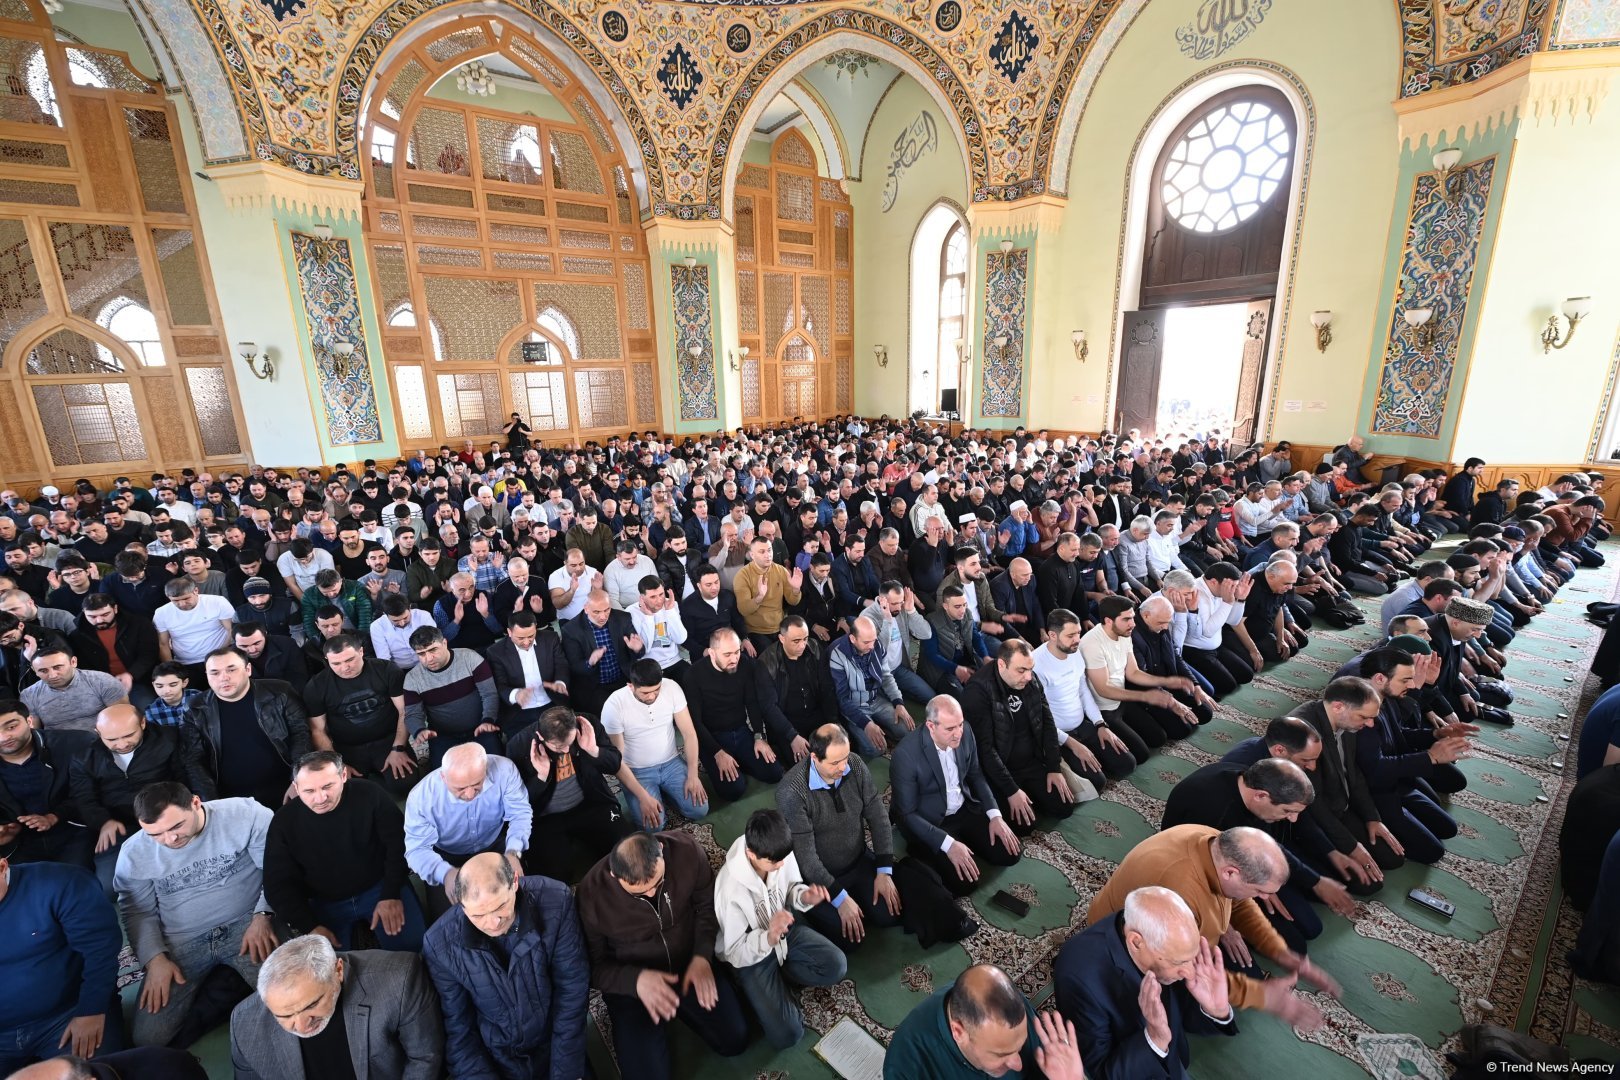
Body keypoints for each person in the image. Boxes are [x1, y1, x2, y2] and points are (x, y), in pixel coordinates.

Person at [1086, 824, 1338, 1029]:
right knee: (1201, 1020)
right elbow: (1190, 967)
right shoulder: (1182, 890)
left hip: (1179, 931)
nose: (1263, 898)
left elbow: (1240, 902)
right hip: (1123, 948)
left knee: (1248, 975)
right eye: (1260, 891)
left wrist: (1279, 952)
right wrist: (1263, 997)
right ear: (1231, 873)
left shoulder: (1218, 844)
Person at [777, 723, 973, 948]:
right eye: (835, 763)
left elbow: (879, 816)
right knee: (850, 940)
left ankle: (864, 901)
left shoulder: (855, 765)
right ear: (814, 758)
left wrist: (884, 870)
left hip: (857, 860)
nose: (843, 767)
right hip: (817, 880)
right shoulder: (792, 793)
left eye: (845, 758)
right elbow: (807, 859)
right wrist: (841, 899)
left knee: (888, 915)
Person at [114, 783, 279, 1048]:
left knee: (292, 998)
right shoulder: (133, 853)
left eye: (176, 826)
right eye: (155, 834)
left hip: (247, 924)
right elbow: (137, 912)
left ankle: (226, 986)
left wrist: (263, 915)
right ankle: (228, 988)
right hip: (183, 940)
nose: (170, 840)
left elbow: (276, 871)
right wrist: (154, 960)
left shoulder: (246, 814)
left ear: (195, 803)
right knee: (149, 1039)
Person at [577, 831, 750, 1079]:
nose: (650, 894)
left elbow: (706, 906)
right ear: (615, 875)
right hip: (633, 987)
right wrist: (636, 981)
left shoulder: (687, 850)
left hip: (688, 963)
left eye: (658, 883)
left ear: (661, 848)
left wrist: (702, 956)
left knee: (735, 1039)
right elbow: (593, 967)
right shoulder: (591, 896)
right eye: (638, 894)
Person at [422, 851, 590, 1079]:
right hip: (496, 1058)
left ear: (515, 883)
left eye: (501, 906)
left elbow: (571, 990)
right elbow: (459, 1030)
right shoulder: (439, 944)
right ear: (461, 907)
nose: (493, 923)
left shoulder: (555, 901)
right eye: (479, 915)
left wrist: (566, 1074)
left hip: (555, 1043)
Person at [1161, 758, 1353, 956]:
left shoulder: (1254, 781)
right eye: (1288, 811)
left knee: (1311, 927)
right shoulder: (1211, 813)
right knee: (1294, 946)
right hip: (1206, 875)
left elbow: (1269, 844)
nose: (1293, 819)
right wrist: (1223, 925)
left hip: (1243, 863)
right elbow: (1194, 874)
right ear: (1261, 796)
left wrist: (1315, 881)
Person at [1054, 886, 1236, 1079]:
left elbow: (1181, 1012)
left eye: (1192, 957)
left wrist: (1215, 1011)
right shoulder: (1080, 979)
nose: (1191, 972)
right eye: (1179, 962)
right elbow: (1099, 1073)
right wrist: (1155, 1039)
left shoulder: (1165, 941)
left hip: (1171, 1061)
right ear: (1136, 942)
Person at [264, 750, 425, 952]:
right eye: (309, 791)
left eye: (327, 786)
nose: (320, 798)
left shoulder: (371, 794)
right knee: (332, 968)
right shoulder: (283, 822)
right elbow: (277, 884)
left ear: (343, 776)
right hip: (324, 901)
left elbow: (398, 845)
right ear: (296, 787)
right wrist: (310, 927)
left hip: (379, 886)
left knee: (413, 948)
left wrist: (391, 894)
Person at [712, 808, 846, 1049]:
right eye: (775, 862)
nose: (782, 864)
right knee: (788, 1035)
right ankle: (760, 988)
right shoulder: (729, 888)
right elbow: (734, 951)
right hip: (752, 958)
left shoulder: (778, 852)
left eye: (784, 858)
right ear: (751, 854)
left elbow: (791, 889)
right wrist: (768, 938)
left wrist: (805, 897)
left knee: (836, 965)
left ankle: (778, 983)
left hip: (785, 935)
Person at [229, 934, 443, 1079]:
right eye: (284, 1016)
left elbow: (424, 1058)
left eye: (312, 1004)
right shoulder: (243, 1024)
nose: (302, 1025)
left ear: (338, 971)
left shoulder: (399, 978)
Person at [69, 704, 214, 898]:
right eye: (111, 739)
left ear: (143, 723)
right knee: (110, 888)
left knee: (199, 873)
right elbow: (84, 798)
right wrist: (103, 822)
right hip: (121, 826)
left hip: (168, 817)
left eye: (128, 735)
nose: (121, 744)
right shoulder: (84, 757)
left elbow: (188, 777)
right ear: (97, 732)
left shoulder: (169, 739)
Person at [0, 857, 123, 1074]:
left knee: (97, 1073)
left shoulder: (62, 883)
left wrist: (91, 1010)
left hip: (67, 1014)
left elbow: (101, 950)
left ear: (1, 867)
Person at [891, 695, 1022, 896]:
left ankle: (963, 843)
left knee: (1011, 854)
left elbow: (976, 775)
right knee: (966, 884)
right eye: (950, 729)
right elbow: (907, 814)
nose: (958, 734)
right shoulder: (905, 755)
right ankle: (922, 849)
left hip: (963, 808)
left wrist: (995, 816)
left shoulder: (965, 731)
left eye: (960, 725)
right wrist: (948, 843)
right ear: (931, 726)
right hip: (932, 820)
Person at [1291, 676, 1406, 881]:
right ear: (1338, 707)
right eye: (1365, 717)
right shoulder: (1304, 735)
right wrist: (1350, 846)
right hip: (1311, 818)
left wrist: (1372, 817)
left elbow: (1353, 771)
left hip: (1339, 803)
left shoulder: (1348, 721)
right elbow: (1312, 801)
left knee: (1393, 859)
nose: (1370, 724)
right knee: (1368, 885)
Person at [883, 964, 1086, 1080]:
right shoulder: (907, 1065)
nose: (1018, 1064)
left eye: (1020, 1046)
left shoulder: (1010, 1013)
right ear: (959, 1032)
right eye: (1001, 1054)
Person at [403, 742, 531, 920]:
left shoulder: (505, 769)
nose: (470, 795)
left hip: (495, 845)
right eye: (460, 788)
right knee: (448, 919)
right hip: (448, 856)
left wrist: (513, 851)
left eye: (477, 783)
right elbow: (416, 850)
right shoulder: (421, 797)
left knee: (522, 901)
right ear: (443, 777)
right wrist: (445, 873)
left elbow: (520, 813)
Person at [506, 704, 633, 883]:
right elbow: (519, 803)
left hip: (592, 803)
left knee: (628, 850)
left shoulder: (588, 724)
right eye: (559, 747)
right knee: (553, 875)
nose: (566, 750)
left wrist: (593, 750)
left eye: (570, 743)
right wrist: (541, 777)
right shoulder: (518, 746)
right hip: (546, 818)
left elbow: (614, 764)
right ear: (541, 737)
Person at [961, 639, 1078, 831]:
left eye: (1030, 669)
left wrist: (1053, 767)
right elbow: (985, 750)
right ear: (1001, 664)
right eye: (1021, 670)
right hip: (1002, 768)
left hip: (1031, 762)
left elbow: (1047, 722)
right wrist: (1011, 790)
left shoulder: (1030, 679)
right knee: (1024, 827)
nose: (1028, 677)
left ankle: (1031, 798)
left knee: (1064, 807)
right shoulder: (977, 692)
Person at [185, 646, 309, 809]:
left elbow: (300, 734)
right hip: (231, 798)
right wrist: (213, 803)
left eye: (231, 670)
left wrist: (299, 780)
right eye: (215, 673)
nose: (224, 678)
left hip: (285, 786)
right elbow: (194, 758)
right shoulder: (196, 708)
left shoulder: (280, 692)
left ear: (248, 669)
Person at [302, 633, 416, 798]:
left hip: (388, 740)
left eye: (349, 660)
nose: (344, 667)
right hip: (347, 748)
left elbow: (404, 711)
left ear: (361, 651)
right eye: (336, 663)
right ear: (327, 660)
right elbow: (318, 730)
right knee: (347, 794)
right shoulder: (316, 686)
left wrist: (399, 748)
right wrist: (337, 764)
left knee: (406, 785)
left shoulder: (386, 670)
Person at [1034, 607, 1136, 792]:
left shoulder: (1075, 651)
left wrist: (1100, 724)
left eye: (1079, 633)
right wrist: (1071, 744)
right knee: (1098, 782)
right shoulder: (1036, 665)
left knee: (1127, 765)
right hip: (1059, 736)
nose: (1077, 640)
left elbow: (1083, 691)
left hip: (1083, 725)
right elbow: (1039, 718)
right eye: (1071, 635)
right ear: (1052, 635)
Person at [1080, 596, 1198, 756]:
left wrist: (1168, 681)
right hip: (1104, 709)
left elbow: (1133, 672)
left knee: (1159, 738)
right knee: (1141, 755)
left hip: (1123, 700)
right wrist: (1145, 696)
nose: (1133, 624)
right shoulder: (1092, 644)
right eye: (1127, 619)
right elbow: (1103, 690)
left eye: (1133, 618)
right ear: (1109, 621)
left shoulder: (1124, 633)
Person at [601, 658, 709, 829]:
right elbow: (617, 760)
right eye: (645, 693)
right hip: (637, 771)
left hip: (671, 762)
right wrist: (643, 797)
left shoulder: (671, 687)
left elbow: (689, 734)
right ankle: (654, 795)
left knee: (699, 810)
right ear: (631, 686)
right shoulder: (614, 705)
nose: (652, 696)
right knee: (653, 827)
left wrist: (693, 775)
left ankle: (664, 794)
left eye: (656, 690)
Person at [685, 628, 785, 801]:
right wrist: (718, 753)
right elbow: (695, 722)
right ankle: (728, 763)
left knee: (774, 773)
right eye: (727, 654)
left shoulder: (744, 664)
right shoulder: (693, 675)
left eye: (737, 652)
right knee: (733, 791)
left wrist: (759, 736)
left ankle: (739, 761)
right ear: (711, 653)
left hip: (740, 731)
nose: (734, 659)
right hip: (711, 739)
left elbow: (752, 703)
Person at [0, 701, 95, 869]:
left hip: (74, 829)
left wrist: (54, 816)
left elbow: (94, 792)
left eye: (11, 727)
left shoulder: (72, 745)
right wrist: (5, 829)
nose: (4, 737)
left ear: (29, 721)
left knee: (75, 879)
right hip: (18, 842)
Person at [402, 627, 501, 769]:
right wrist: (419, 730)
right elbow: (413, 714)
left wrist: (488, 719)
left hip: (480, 727)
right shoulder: (412, 679)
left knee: (495, 766)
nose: (428, 658)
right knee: (443, 775)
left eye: (433, 650)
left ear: (444, 643)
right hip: (442, 735)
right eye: (421, 654)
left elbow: (489, 694)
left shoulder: (470, 658)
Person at [829, 614, 915, 756]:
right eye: (866, 642)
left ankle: (881, 730)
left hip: (875, 699)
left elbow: (886, 677)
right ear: (853, 639)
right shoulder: (837, 654)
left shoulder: (877, 645)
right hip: (854, 706)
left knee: (907, 730)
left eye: (873, 641)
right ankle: (870, 731)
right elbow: (842, 698)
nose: (872, 646)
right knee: (876, 750)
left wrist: (898, 703)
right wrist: (866, 724)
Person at [485, 610, 569, 739]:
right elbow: (499, 685)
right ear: (509, 632)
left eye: (531, 636)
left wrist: (559, 683)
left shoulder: (550, 639)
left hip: (551, 702)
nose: (526, 642)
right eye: (520, 638)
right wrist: (516, 694)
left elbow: (561, 665)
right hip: (518, 712)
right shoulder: (496, 652)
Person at [559, 589, 644, 716]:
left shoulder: (622, 618)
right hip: (595, 685)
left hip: (623, 679)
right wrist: (590, 662)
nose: (603, 616)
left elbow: (637, 653)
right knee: (611, 716)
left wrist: (637, 648)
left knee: (637, 711)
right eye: (596, 612)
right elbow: (574, 666)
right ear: (586, 608)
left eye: (606, 610)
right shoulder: (571, 630)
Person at [69, 594, 159, 712]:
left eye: (105, 614)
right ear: (84, 613)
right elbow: (82, 668)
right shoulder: (77, 635)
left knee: (150, 710)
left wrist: (131, 674)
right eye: (92, 616)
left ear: (115, 609)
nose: (99, 620)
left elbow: (149, 654)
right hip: (101, 686)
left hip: (139, 680)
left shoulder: (139, 624)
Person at [21, 642, 128, 735]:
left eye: (58, 667)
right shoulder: (28, 695)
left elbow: (123, 718)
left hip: (105, 741)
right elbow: (33, 732)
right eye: (43, 671)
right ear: (34, 670)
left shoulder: (103, 681)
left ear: (73, 662)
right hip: (59, 747)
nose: (52, 675)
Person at [153, 577, 235, 681]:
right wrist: (171, 669)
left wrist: (220, 653)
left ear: (196, 591)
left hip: (220, 657)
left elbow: (231, 630)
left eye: (186, 598)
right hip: (185, 664)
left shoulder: (217, 602)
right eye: (176, 601)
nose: (182, 604)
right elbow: (163, 644)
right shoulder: (161, 613)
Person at [735, 535, 804, 652]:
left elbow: (793, 601)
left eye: (769, 550)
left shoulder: (781, 570)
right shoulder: (742, 575)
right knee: (772, 659)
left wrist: (796, 589)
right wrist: (759, 597)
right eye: (762, 552)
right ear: (752, 555)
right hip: (756, 630)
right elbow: (743, 609)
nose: (768, 555)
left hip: (780, 626)